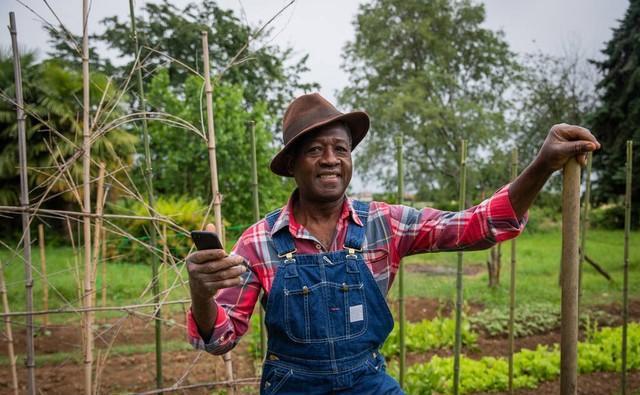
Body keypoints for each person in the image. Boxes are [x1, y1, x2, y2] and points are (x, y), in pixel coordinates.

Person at [186, 93, 600, 394]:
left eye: (340, 148)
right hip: (294, 387)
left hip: (367, 382)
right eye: (315, 150)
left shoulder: (384, 223)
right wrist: (202, 294)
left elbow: (478, 227)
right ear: (292, 164)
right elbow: (221, 338)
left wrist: (542, 163)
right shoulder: (260, 241)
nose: (331, 158)